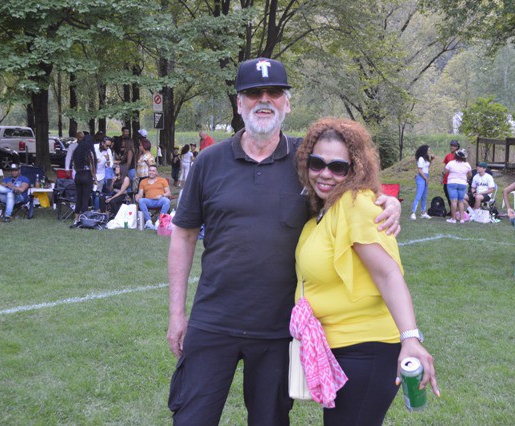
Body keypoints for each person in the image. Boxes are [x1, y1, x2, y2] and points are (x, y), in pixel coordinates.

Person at [166, 57, 400, 426]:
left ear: (286, 103)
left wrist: (387, 199)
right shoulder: (209, 162)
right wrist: (177, 314)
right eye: (253, 93)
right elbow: (184, 234)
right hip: (213, 320)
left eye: (274, 92)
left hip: (278, 328)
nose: (264, 99)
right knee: (191, 418)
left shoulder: (308, 161)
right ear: (239, 103)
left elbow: (351, 182)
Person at [294, 117, 439, 424]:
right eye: (317, 163)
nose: (325, 174)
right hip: (339, 351)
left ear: (355, 169)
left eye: (338, 167)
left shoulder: (354, 204)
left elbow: (388, 274)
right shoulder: (321, 212)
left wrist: (410, 338)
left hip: (366, 352)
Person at [70, 133, 97, 228]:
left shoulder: (76, 151)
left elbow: (74, 165)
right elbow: (92, 167)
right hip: (87, 175)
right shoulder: (89, 152)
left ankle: (76, 219)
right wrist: (95, 178)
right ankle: (84, 219)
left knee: (79, 198)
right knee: (85, 199)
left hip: (78, 175)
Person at [136, 164, 171, 230]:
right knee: (141, 201)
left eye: (153, 171)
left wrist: (161, 195)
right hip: (149, 201)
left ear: (156, 172)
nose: (151, 172)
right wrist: (137, 196)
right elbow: (140, 194)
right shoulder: (143, 181)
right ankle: (148, 221)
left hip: (160, 200)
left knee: (167, 201)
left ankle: (159, 221)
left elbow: (168, 193)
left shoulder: (163, 180)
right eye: (150, 170)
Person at [443, 149, 472, 223]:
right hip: (462, 183)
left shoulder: (451, 163)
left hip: (452, 183)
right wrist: (466, 179)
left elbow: (445, 172)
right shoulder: (467, 164)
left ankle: (453, 219)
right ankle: (462, 219)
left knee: (453, 201)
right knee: (461, 201)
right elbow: (470, 175)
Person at [409, 145, 433, 221]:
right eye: (428, 150)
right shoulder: (421, 159)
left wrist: (431, 160)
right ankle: (413, 213)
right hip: (421, 178)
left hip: (425, 176)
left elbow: (427, 168)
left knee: (424, 196)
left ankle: (423, 212)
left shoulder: (426, 159)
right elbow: (420, 170)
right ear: (424, 150)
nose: (429, 151)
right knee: (418, 195)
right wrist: (425, 178)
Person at [442, 139, 459, 215]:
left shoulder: (459, 156)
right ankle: (452, 211)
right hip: (446, 179)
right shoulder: (448, 156)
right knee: (447, 195)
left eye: (454, 146)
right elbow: (445, 167)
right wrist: (442, 177)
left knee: (454, 196)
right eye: (451, 145)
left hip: (455, 179)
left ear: (457, 147)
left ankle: (457, 211)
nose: (452, 147)